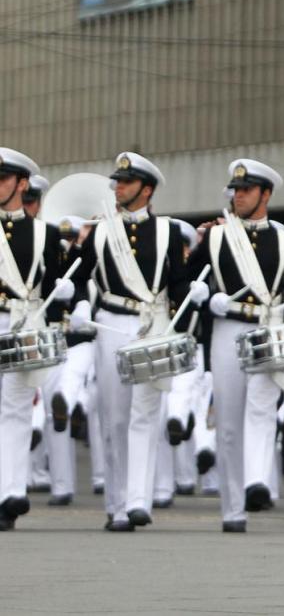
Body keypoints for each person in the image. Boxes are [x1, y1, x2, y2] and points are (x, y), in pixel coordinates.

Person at [69, 152, 196, 531]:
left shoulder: (169, 232)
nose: (118, 187)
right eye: (118, 181)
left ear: (147, 189)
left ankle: (139, 500)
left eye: (127, 182)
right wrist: (79, 303)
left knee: (146, 413)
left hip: (153, 322)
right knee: (115, 417)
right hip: (111, 323)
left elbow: (178, 284)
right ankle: (117, 503)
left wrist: (193, 298)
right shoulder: (101, 231)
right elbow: (77, 275)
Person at [188, 159, 284, 532]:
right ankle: (232, 508)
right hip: (227, 328)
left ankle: (256, 482)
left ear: (265, 194)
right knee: (228, 421)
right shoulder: (215, 237)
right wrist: (204, 297)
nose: (238, 196)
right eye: (236, 190)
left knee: (262, 408)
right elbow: (187, 282)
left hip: (268, 328)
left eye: (246, 190)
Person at [0, 150, 71, 530]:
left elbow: (52, 289)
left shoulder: (47, 234)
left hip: (24, 323)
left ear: (21, 184)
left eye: (3, 179)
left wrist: (65, 299)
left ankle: (10, 494)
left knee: (16, 409)